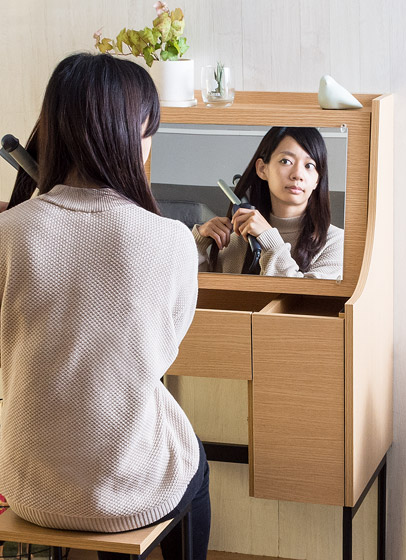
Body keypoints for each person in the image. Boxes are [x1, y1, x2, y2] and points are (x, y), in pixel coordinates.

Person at [0, 53, 210, 560]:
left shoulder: (8, 232)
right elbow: (161, 355)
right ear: (128, 134)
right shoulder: (171, 240)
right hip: (128, 495)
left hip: (27, 487)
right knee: (196, 468)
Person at [193, 126, 344, 280]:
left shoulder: (336, 242)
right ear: (262, 169)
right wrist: (197, 244)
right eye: (286, 161)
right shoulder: (235, 240)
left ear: (317, 180)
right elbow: (195, 295)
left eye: (309, 165)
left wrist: (268, 238)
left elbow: (308, 300)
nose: (298, 174)